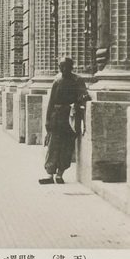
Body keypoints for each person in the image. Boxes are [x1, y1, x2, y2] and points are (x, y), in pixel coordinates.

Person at [39, 57, 91, 185]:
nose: (63, 69)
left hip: (70, 118)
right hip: (56, 118)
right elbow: (51, 102)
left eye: (66, 66)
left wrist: (81, 98)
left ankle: (60, 174)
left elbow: (84, 95)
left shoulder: (78, 80)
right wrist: (47, 120)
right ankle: (50, 174)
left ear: (71, 67)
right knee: (53, 146)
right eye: (61, 66)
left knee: (67, 147)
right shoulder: (57, 81)